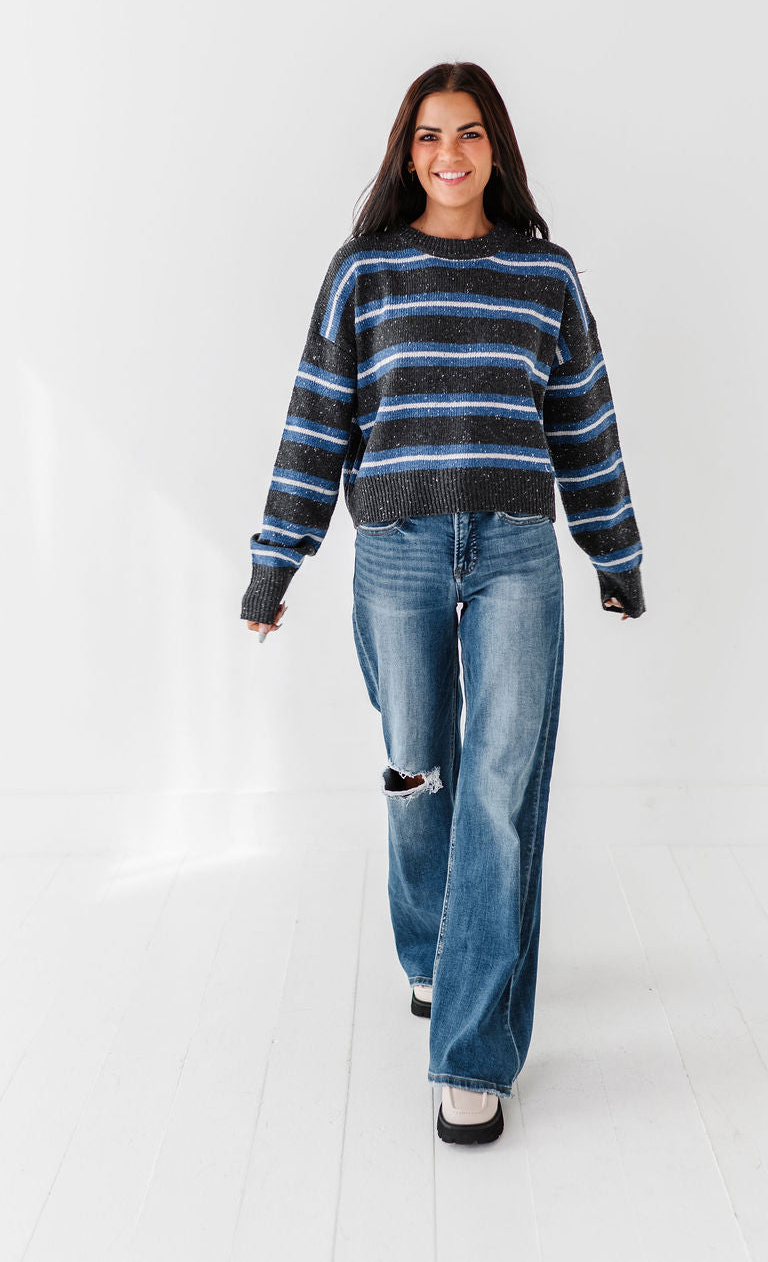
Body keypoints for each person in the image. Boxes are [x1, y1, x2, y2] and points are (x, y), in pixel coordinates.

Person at [241, 61, 645, 1145]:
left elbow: (584, 420)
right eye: (429, 135)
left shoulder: (544, 276)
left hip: (516, 550)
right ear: (406, 152)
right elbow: (317, 418)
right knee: (416, 774)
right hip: (399, 553)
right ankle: (430, 948)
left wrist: (614, 551)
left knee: (500, 793)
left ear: (495, 146)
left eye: (468, 133)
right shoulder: (364, 272)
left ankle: (471, 1054)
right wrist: (276, 562)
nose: (449, 153)